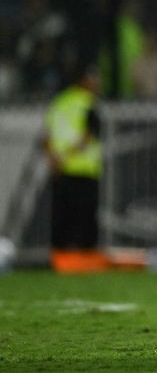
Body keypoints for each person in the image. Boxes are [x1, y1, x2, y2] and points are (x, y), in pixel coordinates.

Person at [41, 64, 106, 272]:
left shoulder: (59, 103)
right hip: (84, 171)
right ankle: (86, 262)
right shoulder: (87, 103)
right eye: (93, 79)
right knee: (85, 219)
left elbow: (46, 136)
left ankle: (58, 261)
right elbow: (89, 136)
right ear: (84, 81)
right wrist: (66, 156)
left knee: (61, 219)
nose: (97, 84)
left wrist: (54, 160)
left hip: (60, 171)